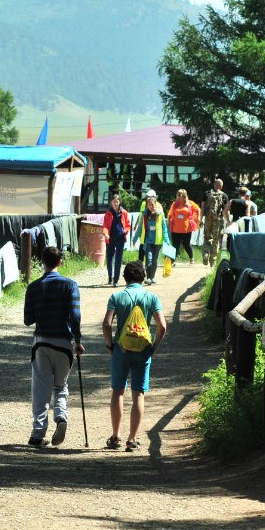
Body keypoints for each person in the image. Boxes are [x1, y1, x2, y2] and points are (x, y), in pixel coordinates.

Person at [102, 261, 167, 452]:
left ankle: (116, 437)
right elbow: (162, 326)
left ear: (125, 277)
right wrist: (153, 348)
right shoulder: (152, 297)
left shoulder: (117, 296)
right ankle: (132, 439)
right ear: (143, 277)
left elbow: (106, 324)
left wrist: (109, 346)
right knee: (138, 393)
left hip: (120, 350)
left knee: (118, 392)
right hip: (143, 350)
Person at [23, 246, 84, 447]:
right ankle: (61, 418)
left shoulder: (33, 287)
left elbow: (27, 320)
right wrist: (78, 340)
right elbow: (75, 316)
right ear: (60, 262)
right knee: (60, 386)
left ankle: (37, 434)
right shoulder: (70, 285)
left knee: (40, 388)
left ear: (42, 262)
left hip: (41, 342)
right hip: (63, 343)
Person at [131, 189, 168, 285]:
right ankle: (148, 277)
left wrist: (167, 241)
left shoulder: (161, 214)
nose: (151, 206)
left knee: (155, 261)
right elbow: (139, 228)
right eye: (149, 205)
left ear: (156, 204)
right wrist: (134, 239)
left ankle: (153, 277)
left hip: (158, 242)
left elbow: (164, 228)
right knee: (149, 260)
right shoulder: (144, 215)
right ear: (147, 205)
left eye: (153, 205)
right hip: (148, 241)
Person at [102, 193, 130, 286]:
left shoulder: (124, 213)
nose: (115, 203)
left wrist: (125, 231)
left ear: (120, 202)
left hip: (120, 238)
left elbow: (128, 225)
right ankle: (110, 277)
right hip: (110, 239)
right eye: (114, 202)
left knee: (118, 259)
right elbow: (105, 226)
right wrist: (106, 234)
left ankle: (116, 280)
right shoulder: (108, 213)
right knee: (109, 259)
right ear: (111, 202)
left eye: (117, 202)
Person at [166, 188, 200, 264]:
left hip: (186, 229)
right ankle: (172, 261)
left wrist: (198, 218)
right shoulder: (174, 204)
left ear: (184, 196)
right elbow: (170, 214)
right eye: (177, 195)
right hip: (175, 229)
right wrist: (168, 222)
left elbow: (198, 209)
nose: (178, 196)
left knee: (186, 244)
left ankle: (192, 258)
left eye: (180, 195)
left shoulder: (190, 203)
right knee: (175, 246)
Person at [201, 178, 230, 267]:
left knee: (207, 237)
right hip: (218, 220)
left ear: (214, 185)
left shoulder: (207, 194)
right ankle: (213, 261)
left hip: (208, 219)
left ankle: (206, 253)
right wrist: (228, 221)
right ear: (221, 186)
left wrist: (201, 219)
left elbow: (202, 208)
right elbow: (226, 210)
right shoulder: (224, 195)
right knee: (216, 240)